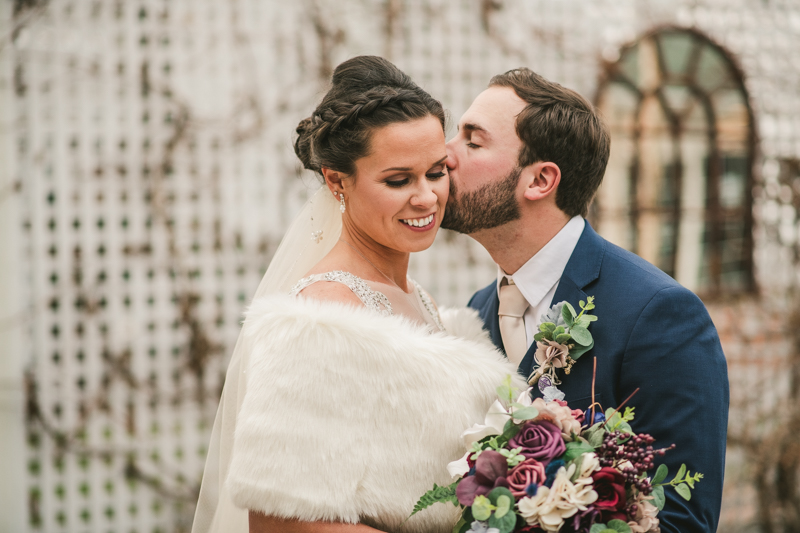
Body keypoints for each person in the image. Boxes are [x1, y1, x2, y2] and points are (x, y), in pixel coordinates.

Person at [191, 56, 524, 533]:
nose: (427, 197)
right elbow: (282, 522)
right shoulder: (320, 318)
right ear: (336, 180)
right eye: (397, 180)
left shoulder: (418, 298)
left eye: (435, 172)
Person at [441, 68, 729, 532]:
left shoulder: (661, 316)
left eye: (472, 141)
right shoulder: (477, 312)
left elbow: (681, 520)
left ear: (539, 180)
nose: (445, 155)